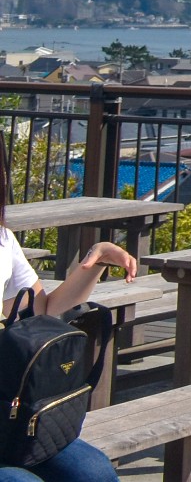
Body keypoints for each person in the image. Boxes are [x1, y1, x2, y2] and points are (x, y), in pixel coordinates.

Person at [0, 159, 139, 482]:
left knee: (95, 474)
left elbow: (44, 308)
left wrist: (99, 259)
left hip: (9, 408)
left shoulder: (3, 239)